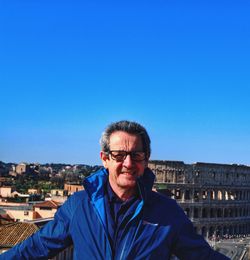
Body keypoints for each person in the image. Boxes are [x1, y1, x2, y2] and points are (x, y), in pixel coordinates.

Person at [1, 120, 229, 259]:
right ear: (105, 159)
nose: (128, 163)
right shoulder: (79, 206)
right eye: (119, 155)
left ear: (146, 159)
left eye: (136, 155)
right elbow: (36, 248)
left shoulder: (168, 212)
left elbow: (202, 256)